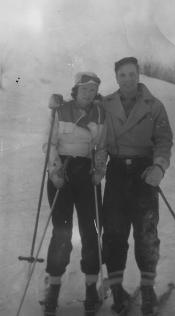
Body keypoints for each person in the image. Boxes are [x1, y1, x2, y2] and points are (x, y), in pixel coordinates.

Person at [102, 57, 173, 316]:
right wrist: (58, 104)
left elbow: (164, 139)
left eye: (132, 74)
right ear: (116, 77)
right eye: (123, 75)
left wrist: (159, 166)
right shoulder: (105, 104)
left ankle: (147, 289)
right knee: (114, 234)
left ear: (139, 75)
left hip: (144, 173)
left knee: (146, 234)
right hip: (117, 172)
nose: (128, 79)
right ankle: (117, 289)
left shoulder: (155, 106)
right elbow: (80, 107)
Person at [42, 72, 106, 316]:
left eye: (93, 89)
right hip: (62, 174)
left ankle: (91, 287)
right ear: (75, 90)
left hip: (86, 174)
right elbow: (48, 143)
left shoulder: (99, 113)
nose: (88, 94)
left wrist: (99, 169)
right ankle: (54, 288)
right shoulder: (60, 110)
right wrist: (55, 171)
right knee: (62, 230)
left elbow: (102, 145)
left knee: (90, 230)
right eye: (84, 89)